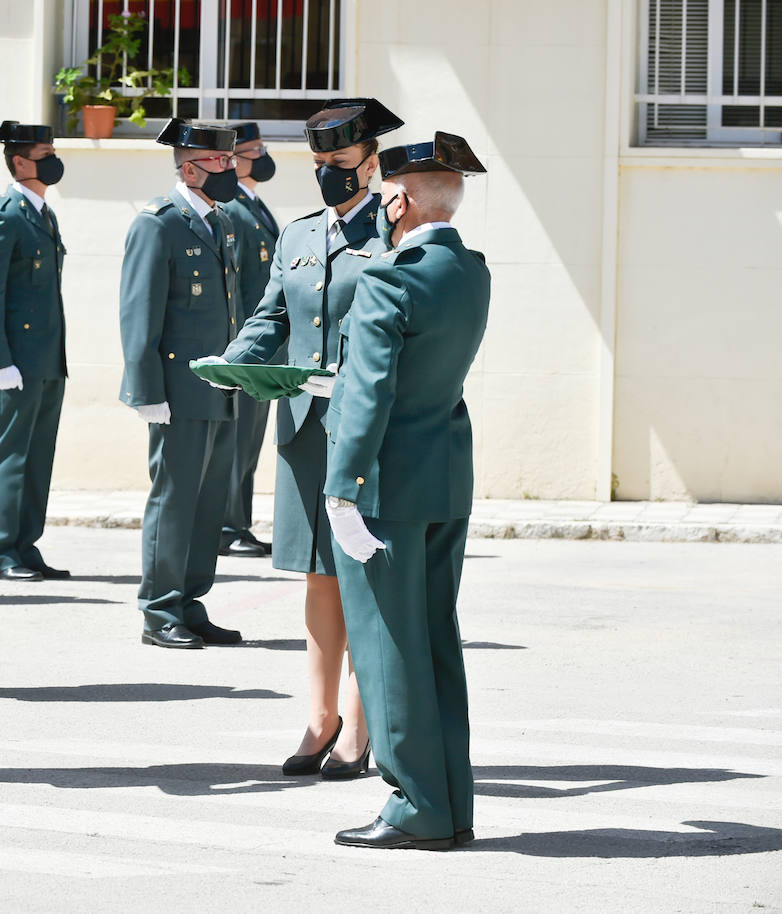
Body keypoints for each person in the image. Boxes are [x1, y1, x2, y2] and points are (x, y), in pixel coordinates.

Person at [211, 99, 403, 777]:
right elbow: (271, 316)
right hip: (302, 427)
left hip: (367, 429)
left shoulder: (394, 230)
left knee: (367, 572)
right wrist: (233, 360)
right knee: (320, 574)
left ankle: (361, 719)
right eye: (318, 164)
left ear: (371, 164)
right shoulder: (296, 236)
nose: (328, 176)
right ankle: (319, 718)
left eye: (340, 164)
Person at [324, 132, 491, 850]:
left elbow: (368, 393)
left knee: (390, 647)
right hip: (444, 479)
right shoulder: (470, 271)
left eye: (385, 193)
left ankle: (414, 805)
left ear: (400, 197)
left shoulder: (391, 278)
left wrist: (341, 488)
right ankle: (450, 803)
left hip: (387, 486)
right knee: (434, 645)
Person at [118, 118, 243, 650]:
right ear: (188, 168)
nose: (229, 170)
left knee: (208, 502)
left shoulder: (222, 221)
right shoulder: (158, 223)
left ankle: (191, 602)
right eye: (219, 162)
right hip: (176, 389)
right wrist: (146, 392)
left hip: (218, 387)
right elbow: (138, 313)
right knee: (174, 501)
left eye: (230, 161)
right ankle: (159, 609)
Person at [0, 121, 70, 583]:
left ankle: (25, 544)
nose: (53, 159)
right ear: (19, 162)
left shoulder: (43, 214)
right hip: (15, 362)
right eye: (44, 152)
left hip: (47, 359)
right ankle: (0, 551)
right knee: (8, 454)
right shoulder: (3, 213)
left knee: (37, 456)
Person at [217, 121, 280, 559]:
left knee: (250, 441)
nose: (263, 156)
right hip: (248, 346)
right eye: (254, 150)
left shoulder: (253, 205)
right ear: (235, 159)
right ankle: (226, 525)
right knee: (238, 441)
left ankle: (239, 522)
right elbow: (234, 286)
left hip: (265, 349)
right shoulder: (235, 209)